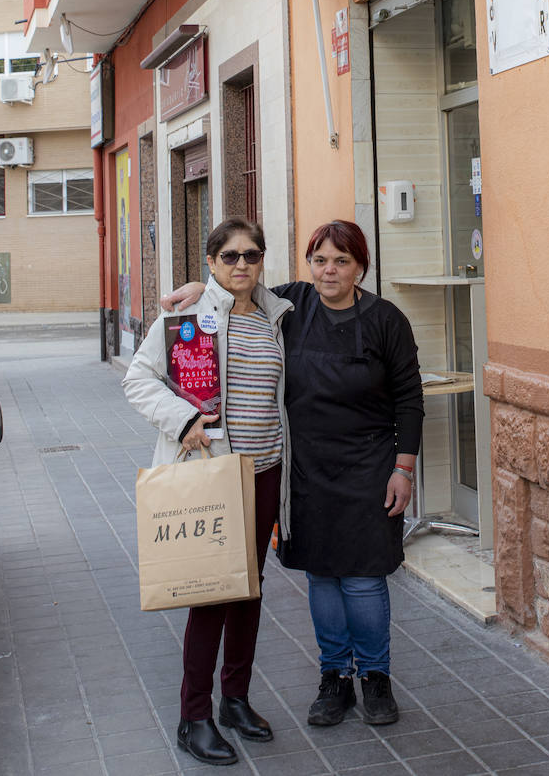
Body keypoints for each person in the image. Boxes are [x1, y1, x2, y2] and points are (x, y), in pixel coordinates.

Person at [164, 219, 424, 728]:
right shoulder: (291, 305)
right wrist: (202, 288)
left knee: (365, 577)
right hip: (303, 468)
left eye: (341, 261)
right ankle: (334, 680)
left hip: (370, 465)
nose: (329, 270)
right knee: (323, 574)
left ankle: (374, 678)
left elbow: (410, 399)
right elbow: (239, 287)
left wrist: (404, 468)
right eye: (320, 260)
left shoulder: (386, 319)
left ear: (360, 267)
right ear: (309, 264)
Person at [125, 218, 292, 767]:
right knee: (212, 594)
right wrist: (183, 420)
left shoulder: (276, 317)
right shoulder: (187, 317)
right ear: (211, 263)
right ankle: (193, 715)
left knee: (250, 590)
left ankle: (235, 700)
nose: (241, 265)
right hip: (214, 473)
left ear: (262, 261)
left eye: (251, 255)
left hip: (265, 472)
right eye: (230, 257)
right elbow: (138, 379)